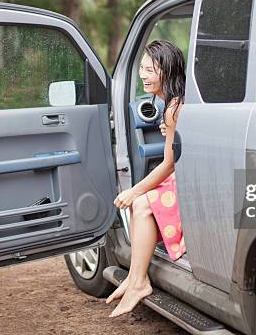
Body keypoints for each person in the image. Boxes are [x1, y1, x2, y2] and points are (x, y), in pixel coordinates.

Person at [106, 40, 187, 317]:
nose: (143, 75)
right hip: (182, 173)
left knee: (140, 202)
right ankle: (134, 278)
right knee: (140, 201)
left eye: (150, 70)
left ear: (168, 71)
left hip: (187, 179)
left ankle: (138, 282)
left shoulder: (174, 108)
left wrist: (133, 191)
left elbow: (168, 164)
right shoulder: (172, 104)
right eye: (141, 68)